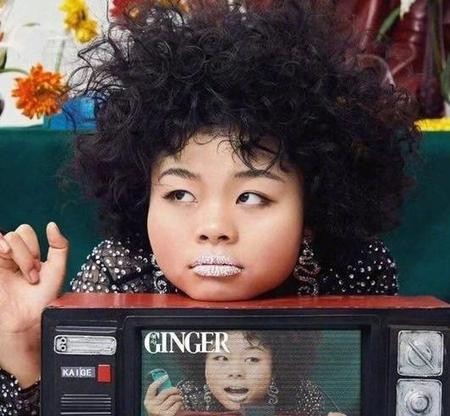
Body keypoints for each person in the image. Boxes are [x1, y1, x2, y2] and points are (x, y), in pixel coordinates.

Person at [0, 0, 419, 414]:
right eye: (180, 195)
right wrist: (26, 358)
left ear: (311, 212)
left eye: (251, 197)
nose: (214, 226)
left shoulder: (353, 275)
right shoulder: (118, 273)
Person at [143, 330, 346, 416]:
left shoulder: (302, 394)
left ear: (276, 365)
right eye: (221, 358)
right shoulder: (186, 396)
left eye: (252, 359)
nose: (236, 372)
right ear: (202, 363)